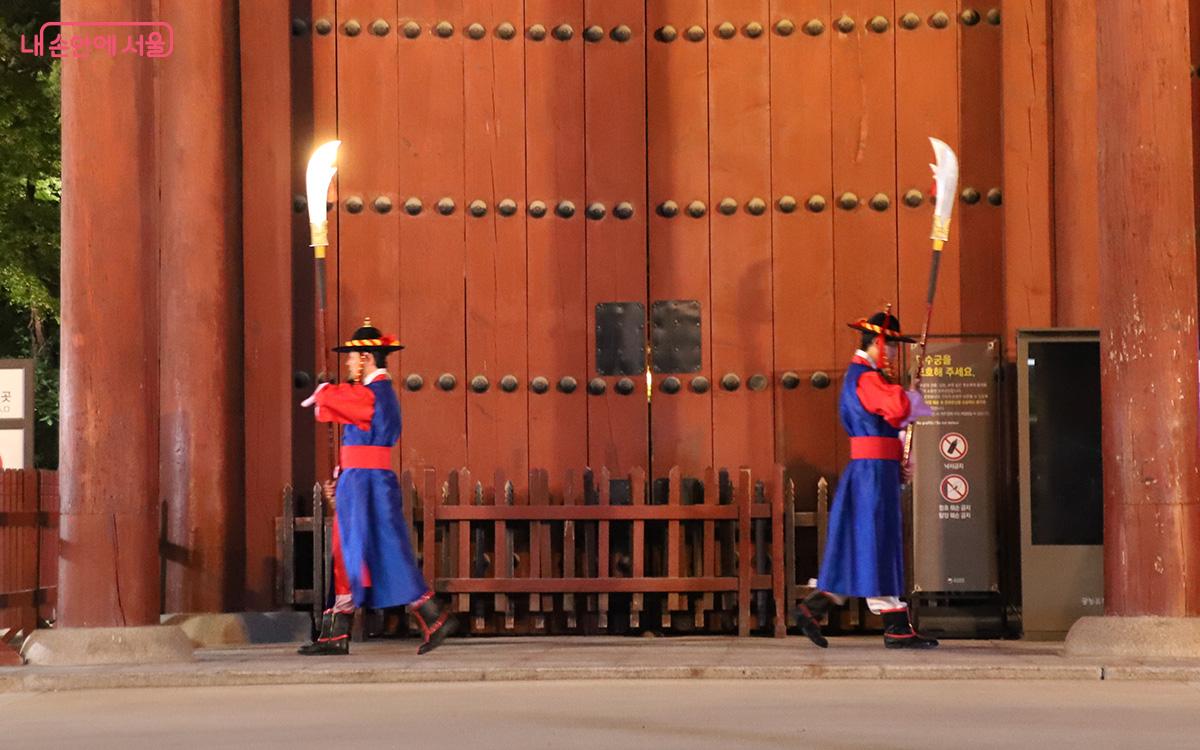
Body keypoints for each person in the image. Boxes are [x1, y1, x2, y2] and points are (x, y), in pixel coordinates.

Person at [297, 318, 456, 656]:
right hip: (360, 480)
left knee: (373, 549)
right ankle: (335, 634)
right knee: (351, 551)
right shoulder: (373, 393)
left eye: (352, 358)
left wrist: (326, 391)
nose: (349, 363)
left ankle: (431, 615)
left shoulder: (376, 393)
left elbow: (349, 402)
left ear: (367, 358)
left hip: (367, 482)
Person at [797, 309, 939, 649]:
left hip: (877, 469)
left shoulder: (867, 376)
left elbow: (894, 416)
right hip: (872, 473)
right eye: (890, 345)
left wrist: (900, 453)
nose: (892, 352)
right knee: (875, 541)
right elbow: (896, 407)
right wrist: (910, 395)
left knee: (867, 542)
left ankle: (815, 607)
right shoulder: (865, 377)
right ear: (877, 342)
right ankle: (894, 625)